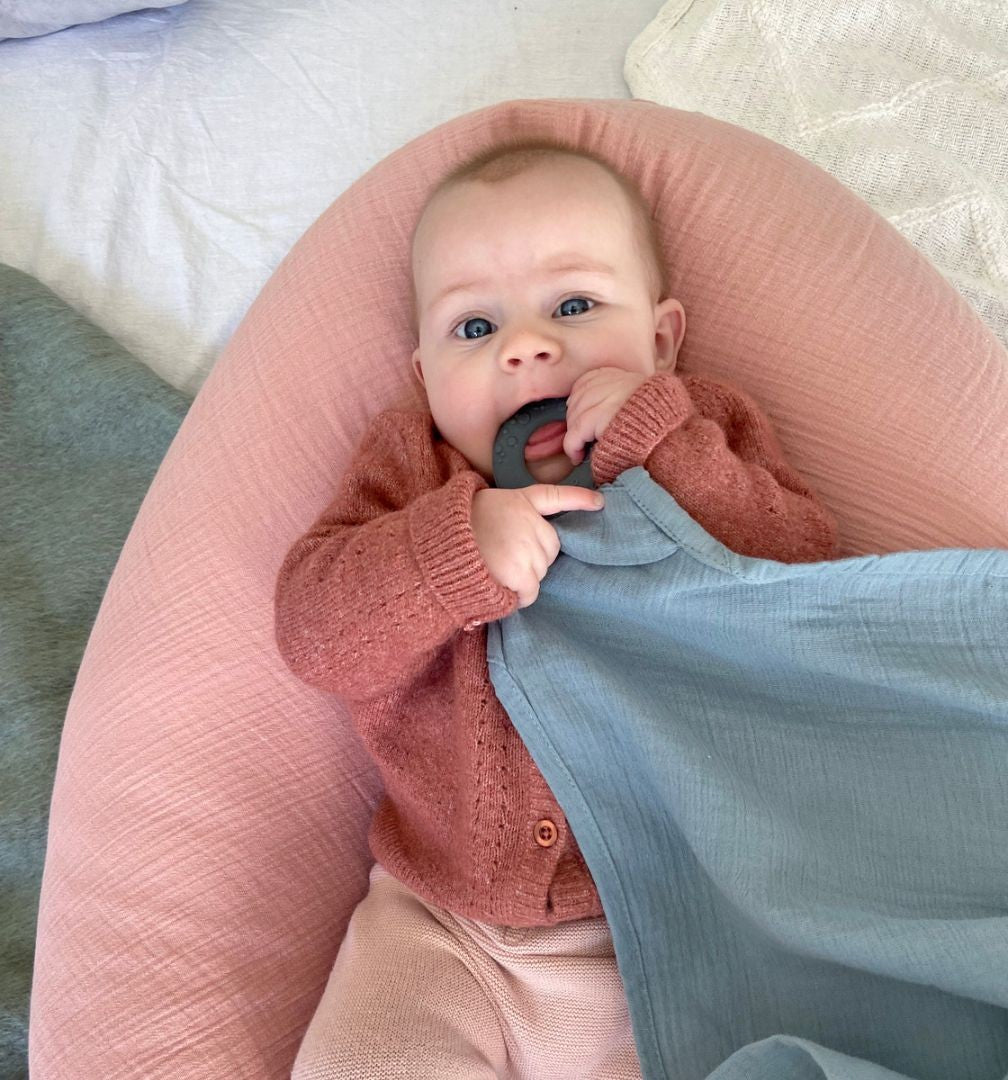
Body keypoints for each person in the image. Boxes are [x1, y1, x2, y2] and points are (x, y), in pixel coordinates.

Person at [275, 136, 839, 1079]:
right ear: (424, 378)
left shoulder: (699, 433)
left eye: (574, 306)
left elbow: (805, 572)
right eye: (474, 327)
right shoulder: (410, 474)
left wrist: (660, 443)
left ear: (661, 340)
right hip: (441, 928)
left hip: (661, 934)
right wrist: (452, 552)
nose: (527, 346)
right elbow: (314, 634)